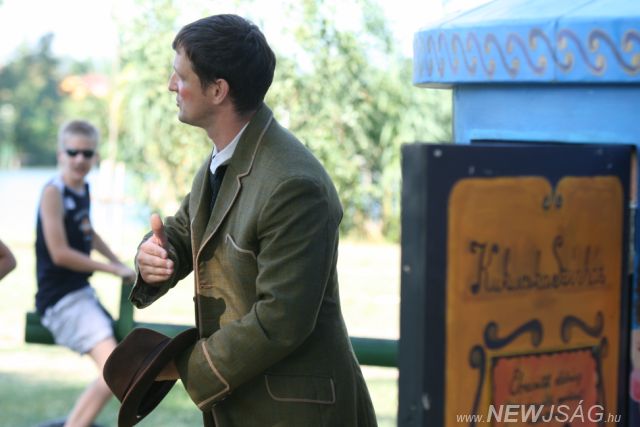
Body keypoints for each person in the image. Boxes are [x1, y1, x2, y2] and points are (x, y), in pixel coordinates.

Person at [132, 14, 377, 426]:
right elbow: (182, 231)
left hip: (297, 414)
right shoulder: (226, 156)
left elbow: (281, 319)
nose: (171, 85)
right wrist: (154, 257)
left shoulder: (294, 184)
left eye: (181, 76)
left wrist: (182, 366)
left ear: (217, 90)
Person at [35, 120, 136, 427]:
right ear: (60, 154)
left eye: (87, 153)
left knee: (118, 368)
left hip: (80, 295)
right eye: (73, 152)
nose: (80, 159)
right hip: (61, 300)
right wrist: (111, 269)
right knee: (114, 370)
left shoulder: (82, 189)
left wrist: (118, 261)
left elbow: (88, 232)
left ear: (95, 156)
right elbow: (60, 253)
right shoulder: (53, 192)